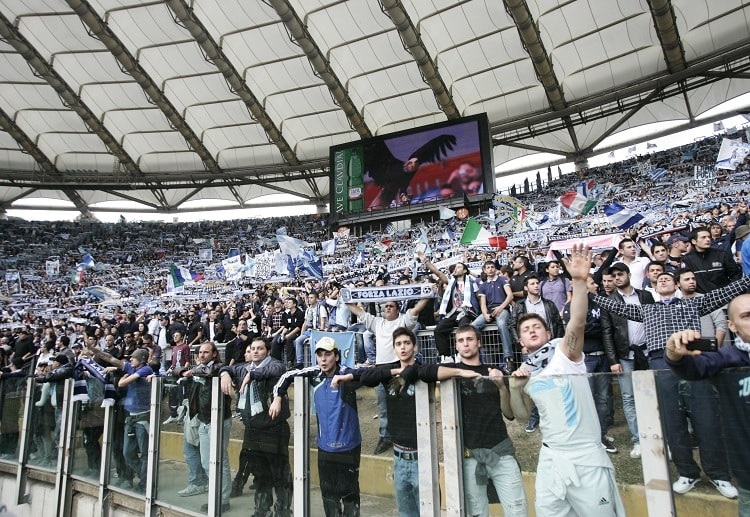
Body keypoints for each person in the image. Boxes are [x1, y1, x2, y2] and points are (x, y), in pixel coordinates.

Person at [510, 244, 625, 516]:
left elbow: (578, 321)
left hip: (586, 458)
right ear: (521, 341)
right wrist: (515, 389)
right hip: (551, 459)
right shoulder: (525, 370)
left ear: (548, 333)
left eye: (537, 326)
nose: (532, 330)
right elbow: (523, 415)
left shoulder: (565, 352)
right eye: (526, 329)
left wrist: (578, 282)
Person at [407, 325, 527, 517]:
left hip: (500, 451)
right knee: (477, 512)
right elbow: (421, 372)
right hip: (468, 454)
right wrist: (461, 373)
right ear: (456, 346)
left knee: (517, 509)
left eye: (470, 339)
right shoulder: (452, 370)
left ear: (478, 343)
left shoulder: (493, 371)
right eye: (461, 341)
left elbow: (509, 414)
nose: (465, 344)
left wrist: (502, 387)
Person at [666, 293, 750, 512]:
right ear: (732, 325)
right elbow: (693, 368)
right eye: (747, 316)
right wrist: (675, 354)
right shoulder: (729, 358)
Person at [332, 327, 422, 517]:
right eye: (398, 344)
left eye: (407, 343)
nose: (403, 347)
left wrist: (405, 373)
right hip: (399, 456)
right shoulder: (388, 372)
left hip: (422, 454)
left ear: (415, 346)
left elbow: (419, 371)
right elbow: (366, 375)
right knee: (405, 511)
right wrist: (398, 371)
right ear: (394, 348)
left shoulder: (423, 372)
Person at [270, 337, 362, 517]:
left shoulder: (346, 373)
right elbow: (286, 375)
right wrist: (277, 397)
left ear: (336, 356)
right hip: (325, 446)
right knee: (328, 494)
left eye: (328, 355)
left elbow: (369, 373)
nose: (323, 359)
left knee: (350, 493)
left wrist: (348, 377)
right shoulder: (315, 373)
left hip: (349, 446)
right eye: (320, 355)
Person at [347, 293, 430, 455]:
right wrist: (346, 298)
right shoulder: (377, 323)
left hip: (400, 367)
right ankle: (385, 437)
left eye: (391, 306)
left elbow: (417, 308)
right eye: (385, 306)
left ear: (398, 309)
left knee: (404, 402)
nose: (387, 308)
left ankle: (409, 437)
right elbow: (358, 312)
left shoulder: (403, 321)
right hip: (381, 369)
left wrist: (427, 294)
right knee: (383, 404)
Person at [220, 338, 291, 514]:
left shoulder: (275, 365)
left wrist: (251, 375)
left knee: (280, 474)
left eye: (260, 348)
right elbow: (224, 367)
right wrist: (225, 374)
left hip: (274, 428)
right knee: (261, 475)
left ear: (267, 351)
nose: (256, 351)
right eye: (253, 349)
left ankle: (283, 510)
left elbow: (275, 371)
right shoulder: (245, 367)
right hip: (252, 429)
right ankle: (262, 510)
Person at [599, 262, 654, 458]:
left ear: (629, 274)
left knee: (653, 396)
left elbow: (654, 321)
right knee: (629, 398)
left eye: (620, 274)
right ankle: (638, 440)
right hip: (625, 357)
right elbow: (607, 333)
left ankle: (657, 436)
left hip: (648, 354)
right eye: (613, 276)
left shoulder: (645, 296)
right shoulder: (609, 301)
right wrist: (613, 360)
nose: (617, 278)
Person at [174, 342, 232, 513]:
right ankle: (214, 493)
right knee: (207, 462)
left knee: (218, 460)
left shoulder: (219, 368)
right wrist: (184, 371)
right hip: (202, 419)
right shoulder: (197, 368)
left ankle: (222, 499)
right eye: (200, 352)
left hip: (218, 419)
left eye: (206, 352)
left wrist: (190, 371)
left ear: (214, 354)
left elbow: (214, 371)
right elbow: (175, 371)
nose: (202, 355)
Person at [89, 347, 153, 492]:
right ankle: (144, 475)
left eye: (133, 357)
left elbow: (122, 383)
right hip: (130, 417)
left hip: (143, 417)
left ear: (141, 359)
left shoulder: (146, 370)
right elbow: (112, 359)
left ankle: (145, 482)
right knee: (127, 452)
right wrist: (95, 351)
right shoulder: (131, 367)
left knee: (144, 453)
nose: (130, 359)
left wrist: (122, 377)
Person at [419, 250, 479, 362]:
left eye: (459, 267)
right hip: (453, 312)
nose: (456, 269)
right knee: (439, 330)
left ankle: (460, 355)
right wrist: (425, 261)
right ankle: (446, 356)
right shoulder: (450, 282)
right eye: (455, 267)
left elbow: (479, 297)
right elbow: (437, 272)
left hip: (466, 312)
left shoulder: (472, 282)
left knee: (462, 329)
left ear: (465, 270)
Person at [472, 260, 515, 370]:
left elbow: (510, 296)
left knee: (501, 324)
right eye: (488, 267)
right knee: (473, 326)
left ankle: (508, 358)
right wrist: (485, 314)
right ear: (484, 270)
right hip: (490, 310)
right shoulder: (483, 285)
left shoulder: (502, 280)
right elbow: (483, 303)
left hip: (502, 309)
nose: (490, 269)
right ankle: (475, 357)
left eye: (492, 267)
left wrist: (501, 307)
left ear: (495, 269)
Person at [680, 226, 742, 293]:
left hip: (723, 296)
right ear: (694, 241)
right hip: (701, 298)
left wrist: (729, 290)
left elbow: (736, 274)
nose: (708, 239)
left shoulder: (721, 255)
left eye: (709, 237)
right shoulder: (687, 259)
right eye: (703, 237)